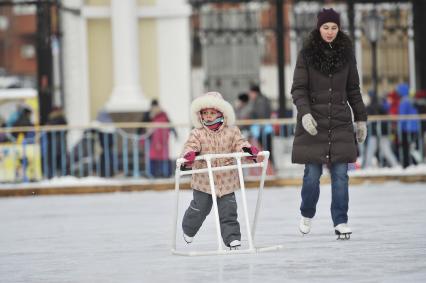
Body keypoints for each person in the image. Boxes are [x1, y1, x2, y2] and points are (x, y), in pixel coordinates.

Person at [290, 8, 367, 239]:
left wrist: (361, 119)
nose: (330, 32)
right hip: (314, 123)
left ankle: (341, 220)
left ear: (339, 28)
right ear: (319, 28)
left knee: (341, 175)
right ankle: (306, 212)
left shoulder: (347, 54)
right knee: (312, 176)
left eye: (334, 27)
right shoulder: (306, 55)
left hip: (341, 123)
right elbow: (299, 89)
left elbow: (353, 89)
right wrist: (304, 114)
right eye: (326, 27)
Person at [180, 91, 262, 250]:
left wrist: (247, 150)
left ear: (221, 113)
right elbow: (191, 146)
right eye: (205, 113)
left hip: (226, 180)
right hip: (204, 180)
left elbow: (239, 143)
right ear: (200, 115)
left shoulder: (232, 131)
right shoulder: (198, 133)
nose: (208, 116)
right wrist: (190, 155)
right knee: (200, 208)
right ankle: (189, 228)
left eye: (212, 113)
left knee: (229, 210)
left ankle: (232, 238)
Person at [145, 99, 175, 178]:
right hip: (155, 140)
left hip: (162, 140)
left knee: (162, 157)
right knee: (155, 157)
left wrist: (175, 133)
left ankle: (164, 173)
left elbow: (170, 125)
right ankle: (156, 173)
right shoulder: (150, 115)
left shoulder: (162, 116)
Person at [247, 85, 274, 165]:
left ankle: (269, 167)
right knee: (267, 149)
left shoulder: (260, 101)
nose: (249, 95)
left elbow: (261, 114)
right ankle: (270, 166)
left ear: (254, 92)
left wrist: (252, 117)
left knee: (264, 149)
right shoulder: (263, 99)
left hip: (262, 129)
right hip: (264, 128)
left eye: (250, 93)